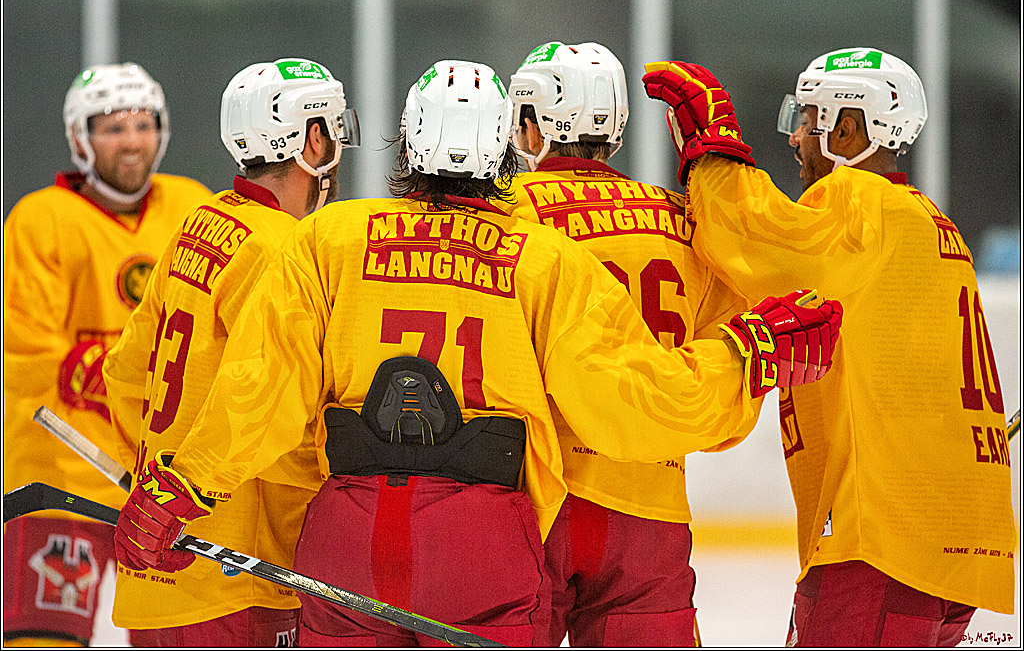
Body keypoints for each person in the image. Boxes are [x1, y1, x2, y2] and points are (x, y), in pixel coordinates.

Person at [111, 59, 842, 647]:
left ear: (408, 139)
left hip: (348, 537)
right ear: (502, 146)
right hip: (481, 546)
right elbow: (636, 400)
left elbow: (260, 388)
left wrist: (183, 487)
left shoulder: (329, 240)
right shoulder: (541, 258)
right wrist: (747, 354)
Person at [642, 48, 1015, 647]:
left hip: (880, 549)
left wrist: (712, 151)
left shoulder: (860, 203)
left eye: (808, 119)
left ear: (848, 129)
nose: (795, 137)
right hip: (955, 551)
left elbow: (758, 242)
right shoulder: (932, 224)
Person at [504, 41, 758, 647]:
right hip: (650, 511)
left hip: (534, 499)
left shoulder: (501, 215)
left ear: (530, 124)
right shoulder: (685, 220)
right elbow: (729, 393)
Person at [101, 58, 360, 647]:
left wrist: (155, 488)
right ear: (312, 140)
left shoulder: (202, 221)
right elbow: (264, 398)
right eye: (334, 129)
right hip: (239, 573)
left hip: (159, 568)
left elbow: (126, 372)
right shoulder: (285, 249)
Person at [3, 63, 211, 647]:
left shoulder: (193, 208)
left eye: (143, 125)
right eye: (113, 128)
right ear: (80, 137)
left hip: (163, 490)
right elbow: (27, 349)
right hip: (59, 482)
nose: (131, 141)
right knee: (45, 640)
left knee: (171, 639)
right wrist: (136, 380)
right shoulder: (40, 220)